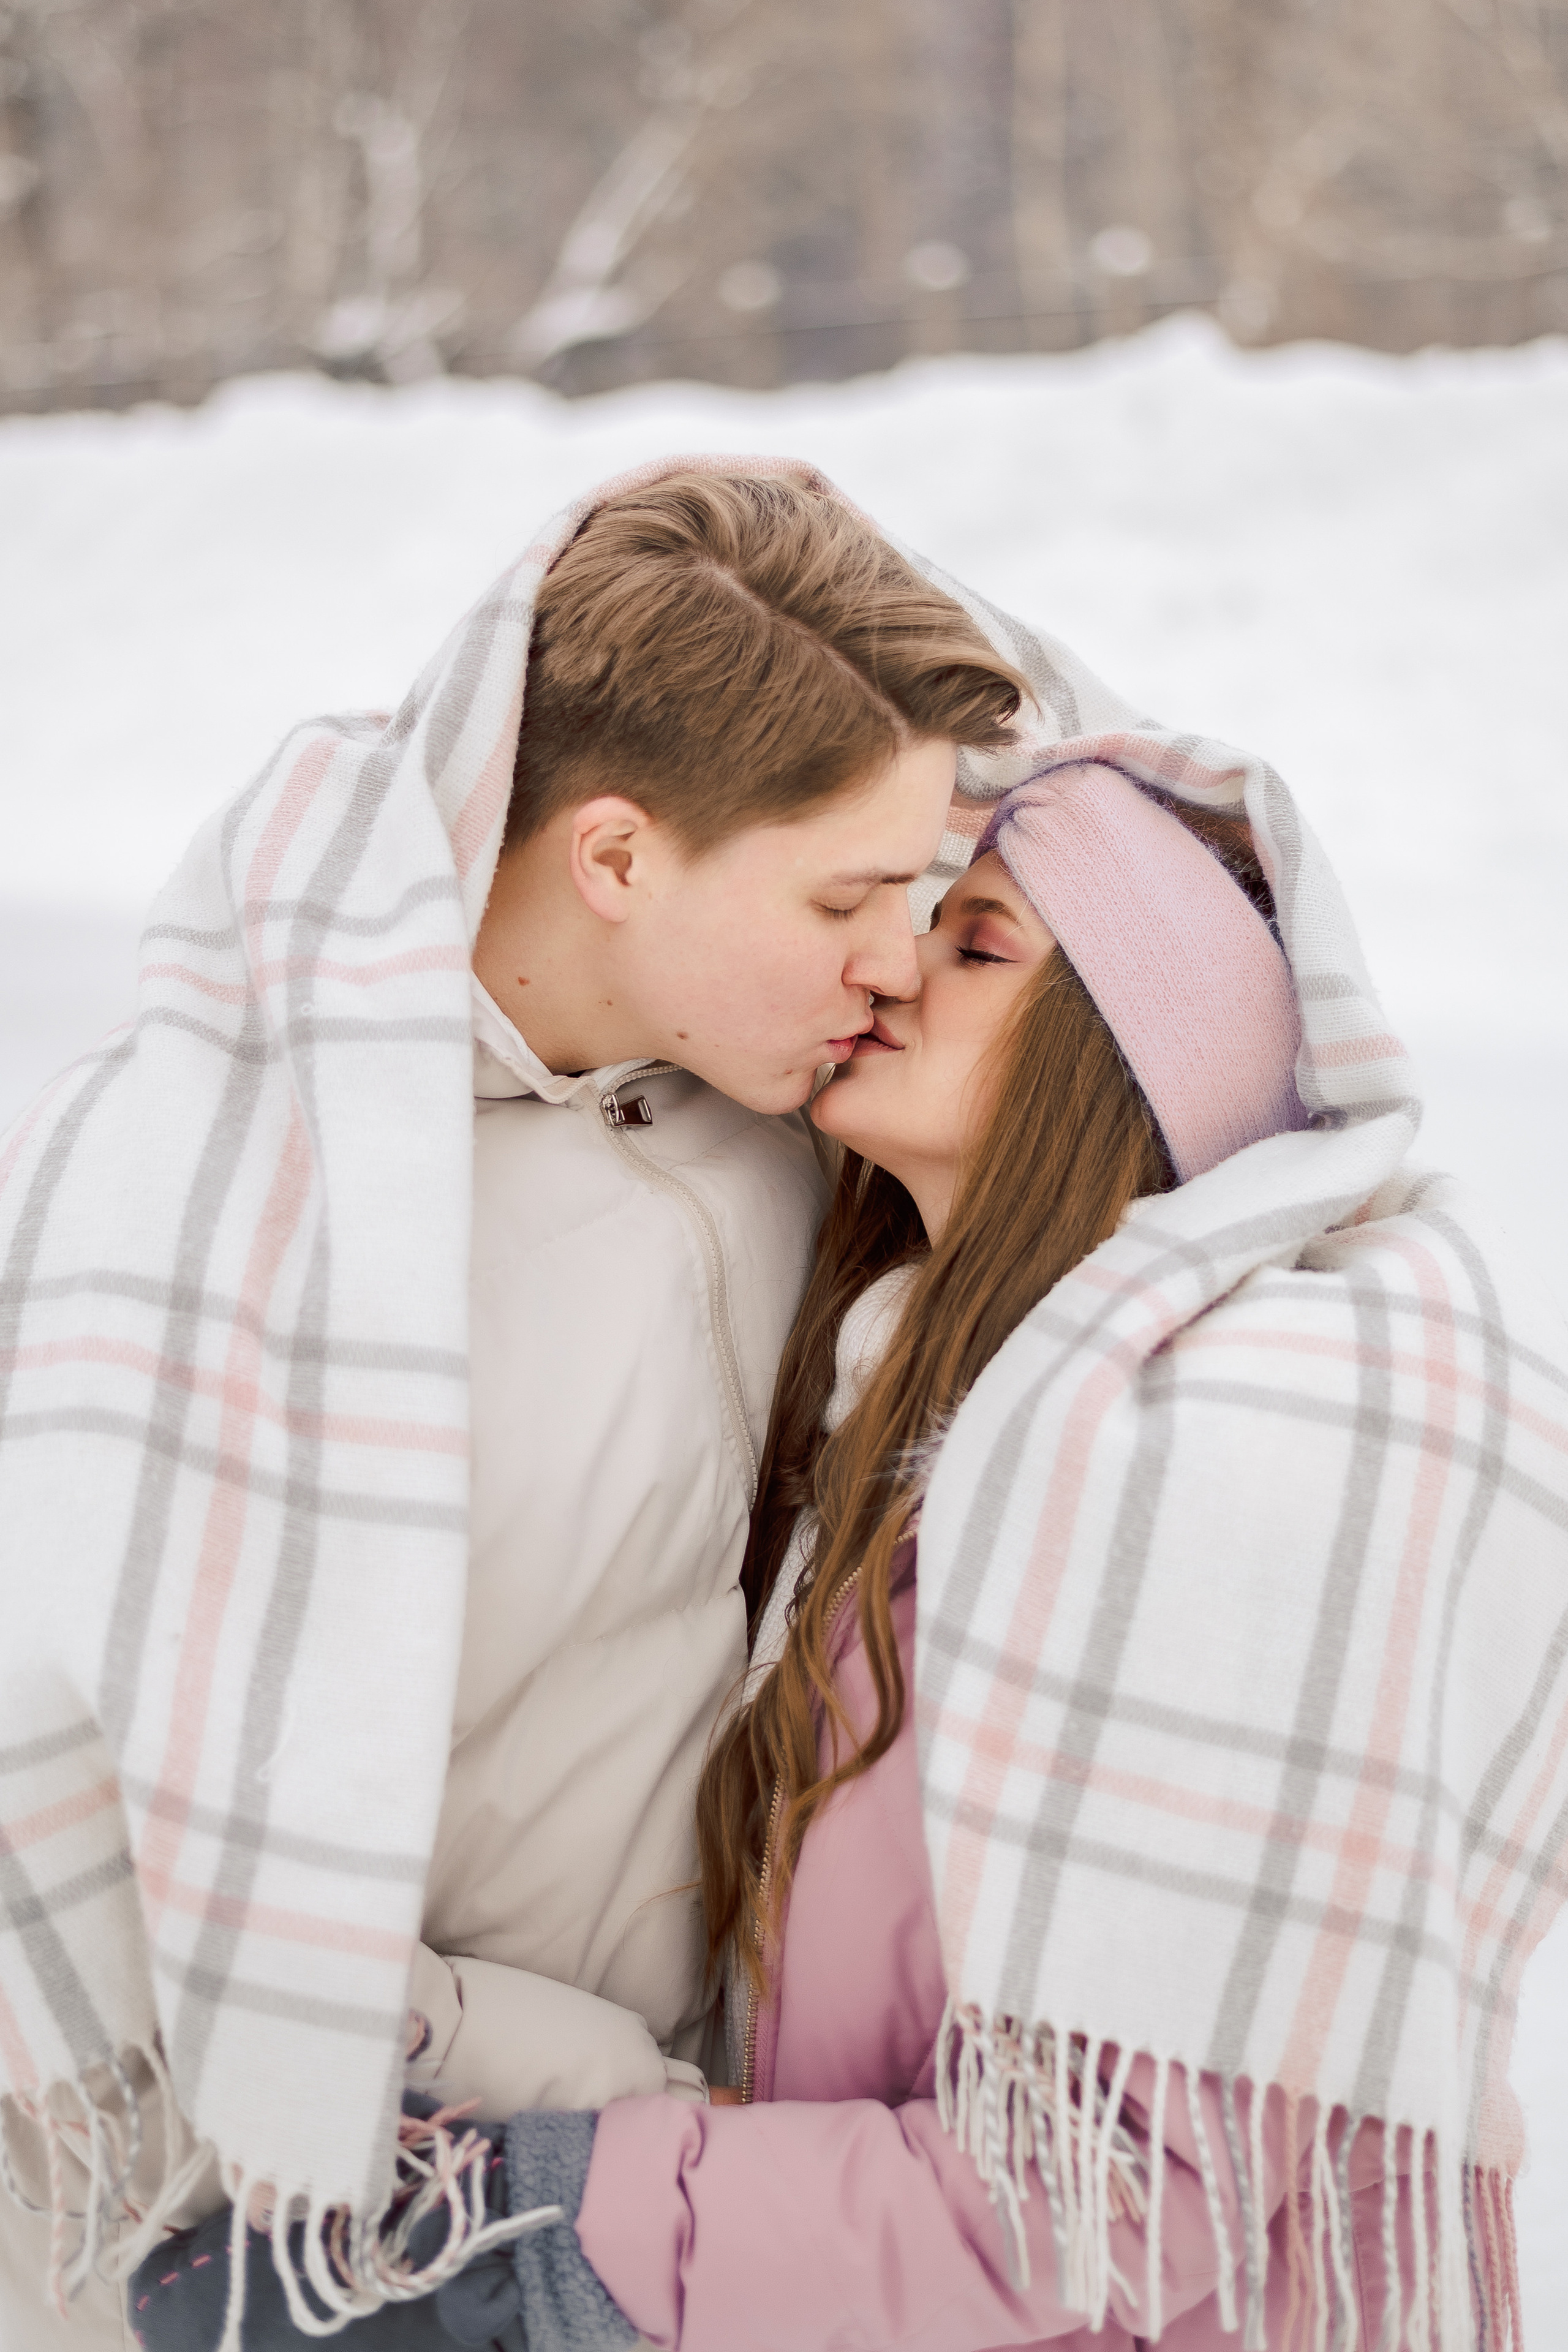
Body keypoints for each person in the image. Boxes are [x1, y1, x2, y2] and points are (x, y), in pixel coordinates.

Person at [132, 722, 1568, 2346]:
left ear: (1121, 1052)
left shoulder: (1217, 1494)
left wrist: (553, 2213)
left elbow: (1118, 2206)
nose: (891, 967)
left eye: (975, 941)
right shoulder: (929, 1455)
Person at [0, 459, 1030, 2345]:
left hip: (649, 2212)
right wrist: (591, 2088)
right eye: (849, 896)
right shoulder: (200, 1204)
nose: (899, 959)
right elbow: (104, 1841)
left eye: (929, 891)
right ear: (618, 860)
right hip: (268, 2217)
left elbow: (1134, 858)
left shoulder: (776, 1109)